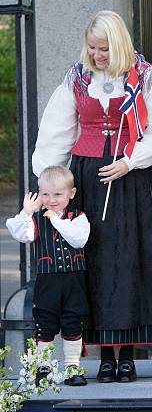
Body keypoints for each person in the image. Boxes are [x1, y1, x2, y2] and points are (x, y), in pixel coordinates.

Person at [32, 10, 152, 383]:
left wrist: (130, 162)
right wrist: (49, 182)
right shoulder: (77, 79)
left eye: (104, 48)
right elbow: (57, 132)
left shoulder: (143, 77)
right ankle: (99, 357)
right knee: (90, 260)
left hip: (135, 178)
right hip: (87, 178)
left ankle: (127, 354)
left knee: (132, 261)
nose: (97, 55)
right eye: (93, 48)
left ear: (120, 45)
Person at [6, 166, 90, 387]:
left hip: (74, 280)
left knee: (73, 320)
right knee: (45, 323)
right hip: (47, 281)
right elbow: (19, 233)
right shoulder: (35, 220)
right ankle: (44, 367)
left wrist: (56, 220)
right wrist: (26, 212)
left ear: (71, 194)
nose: (51, 200)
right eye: (45, 194)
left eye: (57, 194)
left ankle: (73, 366)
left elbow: (78, 240)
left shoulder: (78, 217)